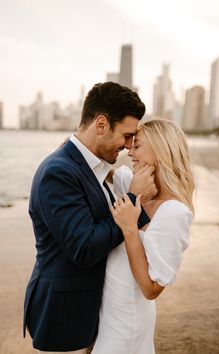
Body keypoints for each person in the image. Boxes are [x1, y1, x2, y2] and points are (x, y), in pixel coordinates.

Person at [23, 82, 158, 353]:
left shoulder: (95, 167)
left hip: (93, 316)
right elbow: (83, 248)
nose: (128, 146)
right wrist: (132, 201)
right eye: (127, 135)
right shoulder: (58, 173)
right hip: (64, 317)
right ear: (101, 124)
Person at [91, 118, 195, 354]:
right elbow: (100, 169)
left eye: (137, 146)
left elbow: (151, 289)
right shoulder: (134, 186)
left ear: (160, 151)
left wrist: (129, 228)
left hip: (127, 328)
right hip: (107, 320)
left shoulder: (173, 212)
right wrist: (72, 149)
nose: (131, 153)